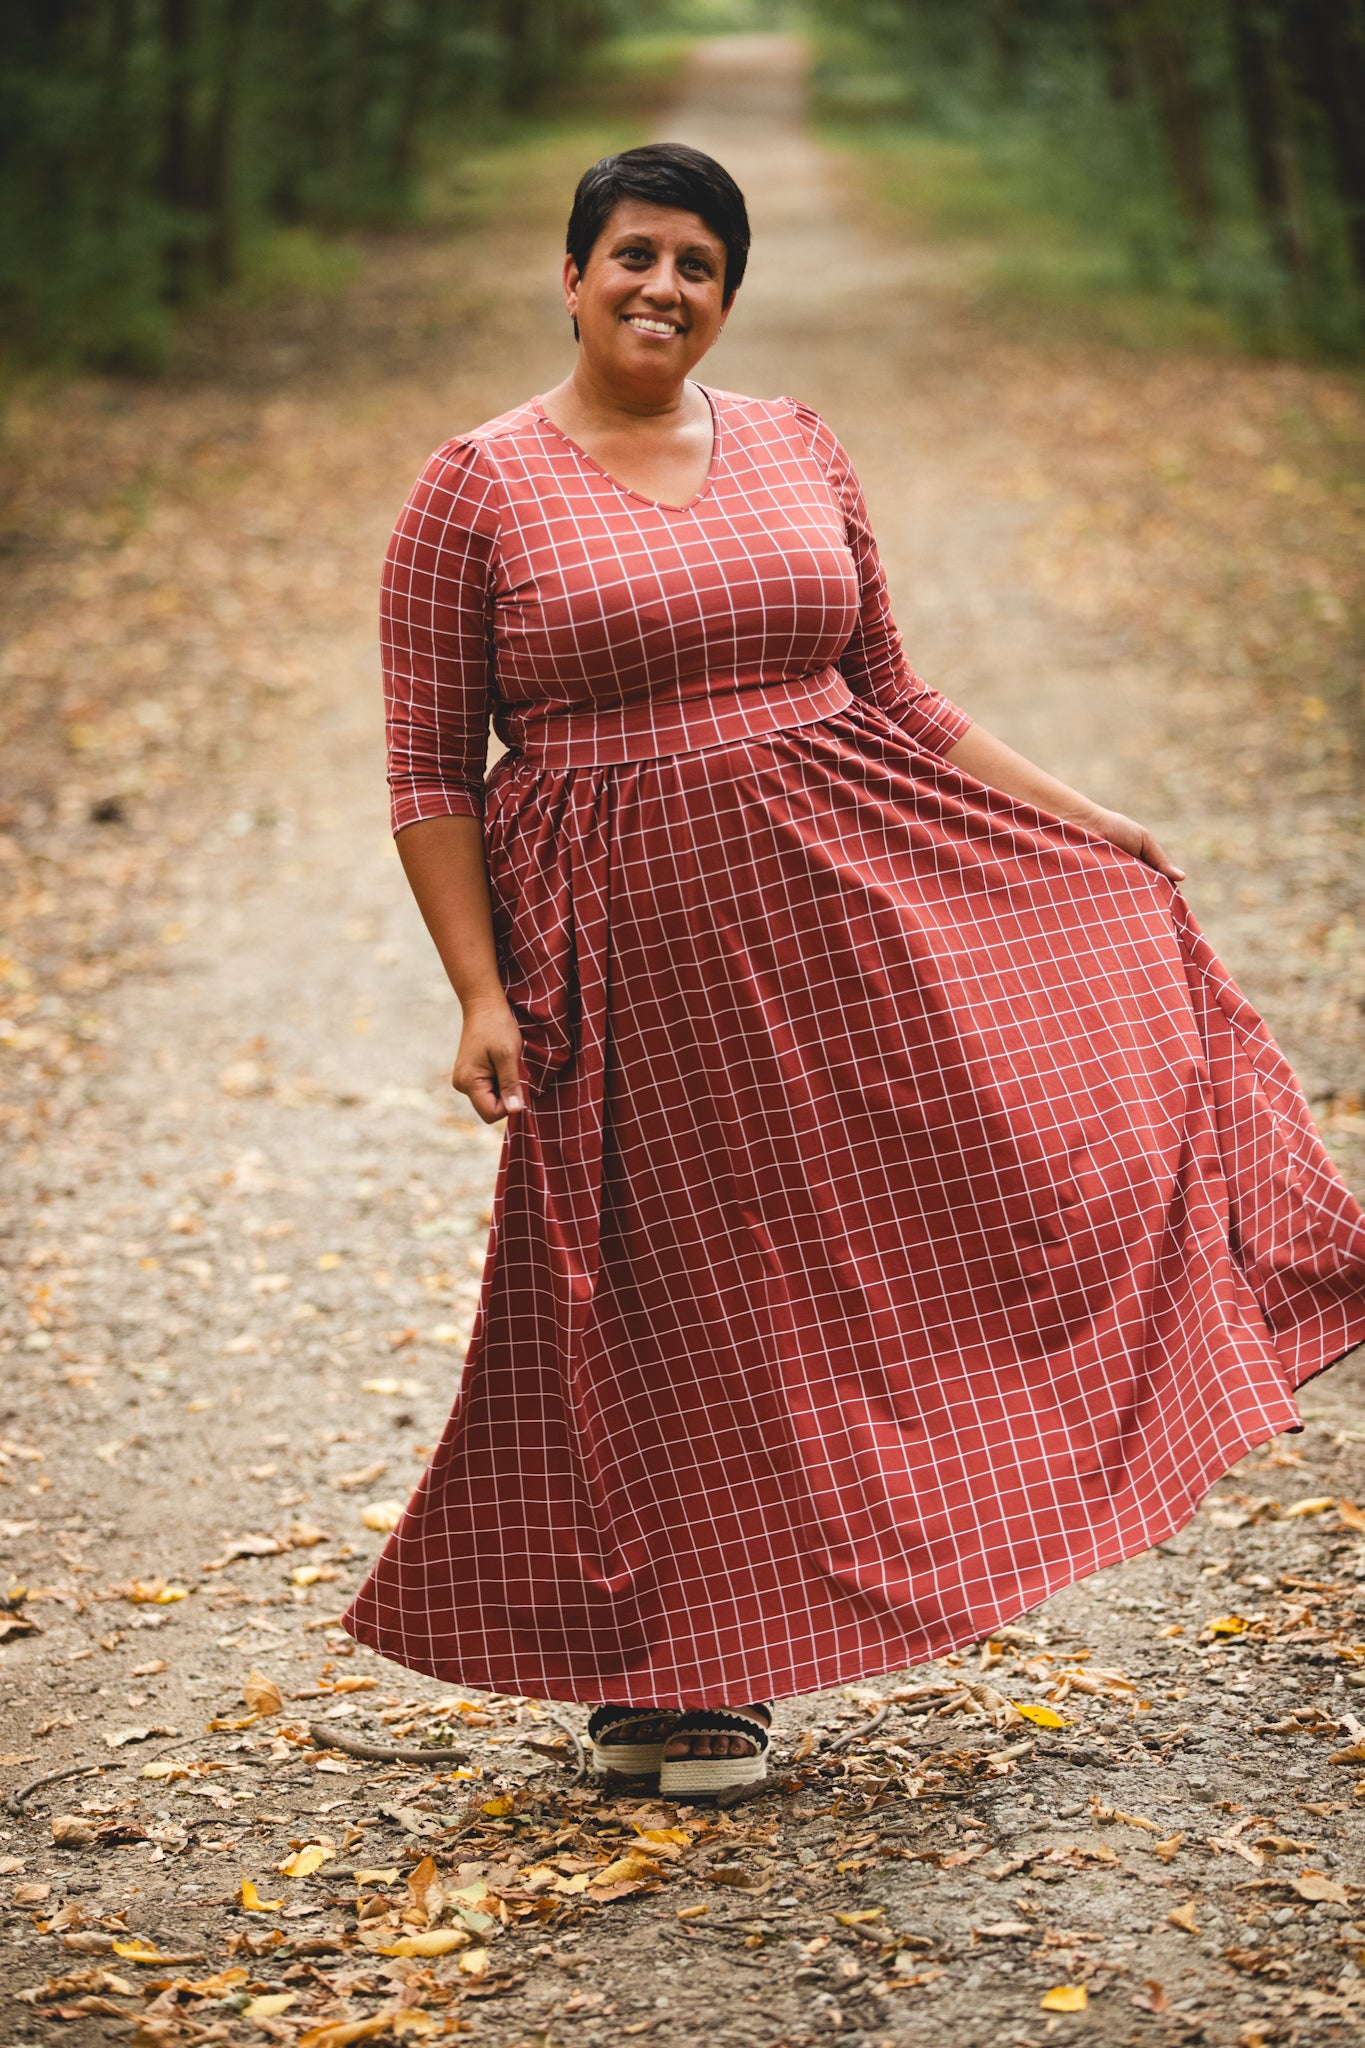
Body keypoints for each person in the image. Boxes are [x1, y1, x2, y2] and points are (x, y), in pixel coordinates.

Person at [342, 143, 1365, 1797]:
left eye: (697, 264)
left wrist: (1082, 817)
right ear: (571, 273)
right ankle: (679, 1672)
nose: (662, 287)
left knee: (872, 1250)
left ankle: (765, 1632)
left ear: (728, 294)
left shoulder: (796, 444)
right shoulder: (474, 486)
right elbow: (423, 769)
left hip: (842, 922)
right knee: (669, 1289)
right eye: (633, 255)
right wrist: (477, 989)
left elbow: (891, 692)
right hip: (624, 953)